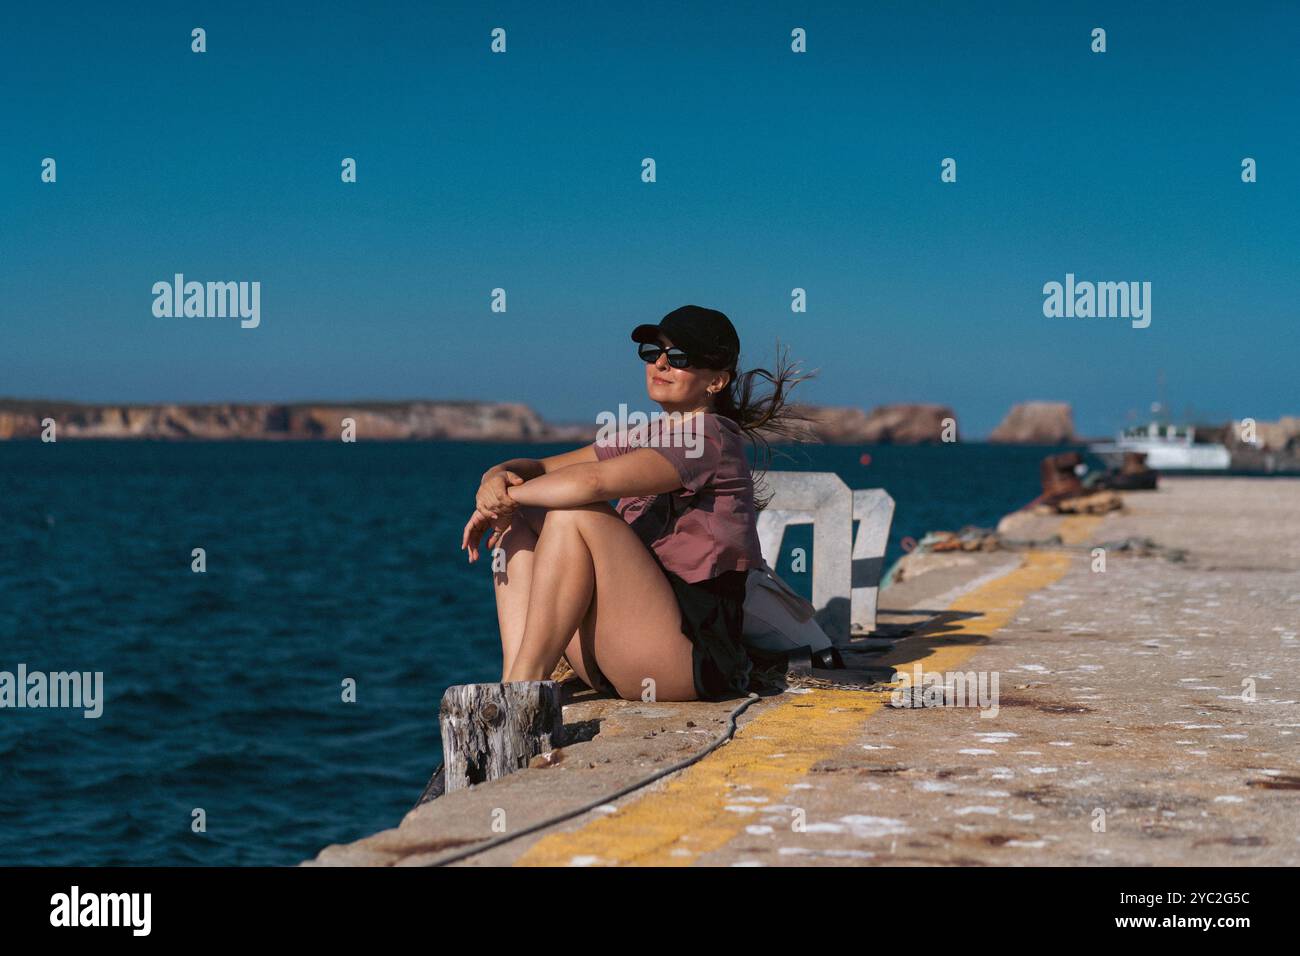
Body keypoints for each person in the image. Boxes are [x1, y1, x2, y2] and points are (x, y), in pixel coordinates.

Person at [461, 305, 815, 701]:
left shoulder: (709, 438)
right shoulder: (647, 434)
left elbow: (591, 482)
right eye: (653, 352)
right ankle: (515, 677)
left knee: (573, 517)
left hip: (690, 658)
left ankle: (522, 688)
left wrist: (501, 499)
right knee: (522, 518)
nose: (660, 364)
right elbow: (538, 467)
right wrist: (494, 479)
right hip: (622, 651)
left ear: (716, 380)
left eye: (678, 358)